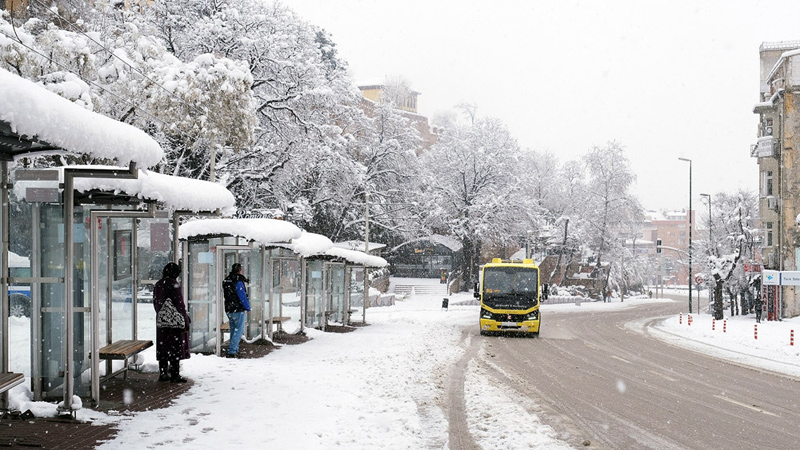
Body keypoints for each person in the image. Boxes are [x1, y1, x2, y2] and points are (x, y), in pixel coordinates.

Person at [153, 262, 190, 383]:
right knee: (175, 347)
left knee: (163, 347)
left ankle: (163, 373)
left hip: (162, 322)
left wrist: (162, 314)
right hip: (174, 324)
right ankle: (175, 374)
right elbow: (179, 304)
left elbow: (155, 302)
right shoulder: (174, 285)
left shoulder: (158, 284)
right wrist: (185, 319)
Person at [223, 263, 251, 358]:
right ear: (240, 270)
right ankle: (232, 351)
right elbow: (242, 296)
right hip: (238, 309)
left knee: (233, 330)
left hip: (229, 309)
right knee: (238, 330)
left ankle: (234, 349)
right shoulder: (238, 281)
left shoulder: (227, 280)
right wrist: (247, 307)